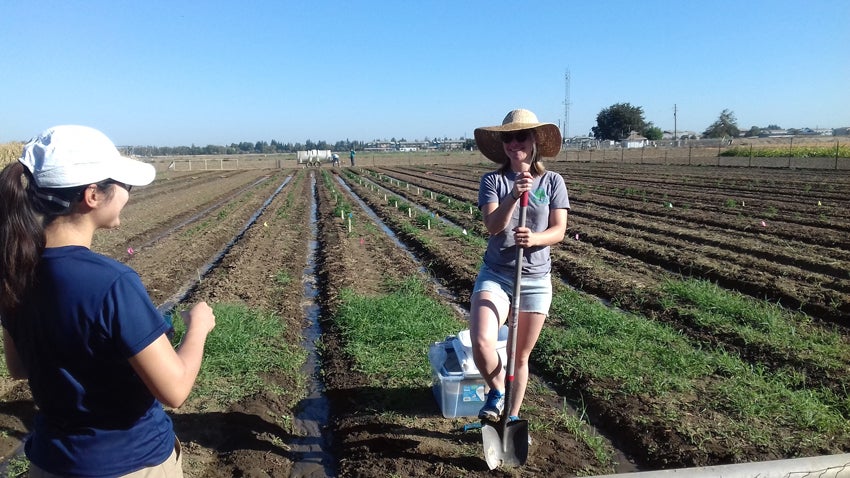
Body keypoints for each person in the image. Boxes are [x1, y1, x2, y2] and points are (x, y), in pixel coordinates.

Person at [0, 125, 216, 477]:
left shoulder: (14, 269)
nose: (128, 195)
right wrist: (199, 327)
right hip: (130, 464)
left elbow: (19, 367)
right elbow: (175, 390)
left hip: (51, 463)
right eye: (124, 186)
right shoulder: (112, 283)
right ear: (92, 196)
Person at [469, 109, 569, 423]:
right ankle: (497, 390)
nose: (514, 143)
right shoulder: (493, 181)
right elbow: (493, 226)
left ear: (534, 140)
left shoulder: (553, 181)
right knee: (482, 340)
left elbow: (559, 230)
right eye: (508, 137)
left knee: (519, 356)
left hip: (536, 279)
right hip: (497, 274)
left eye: (521, 136)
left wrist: (536, 239)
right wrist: (514, 194)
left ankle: (511, 417)